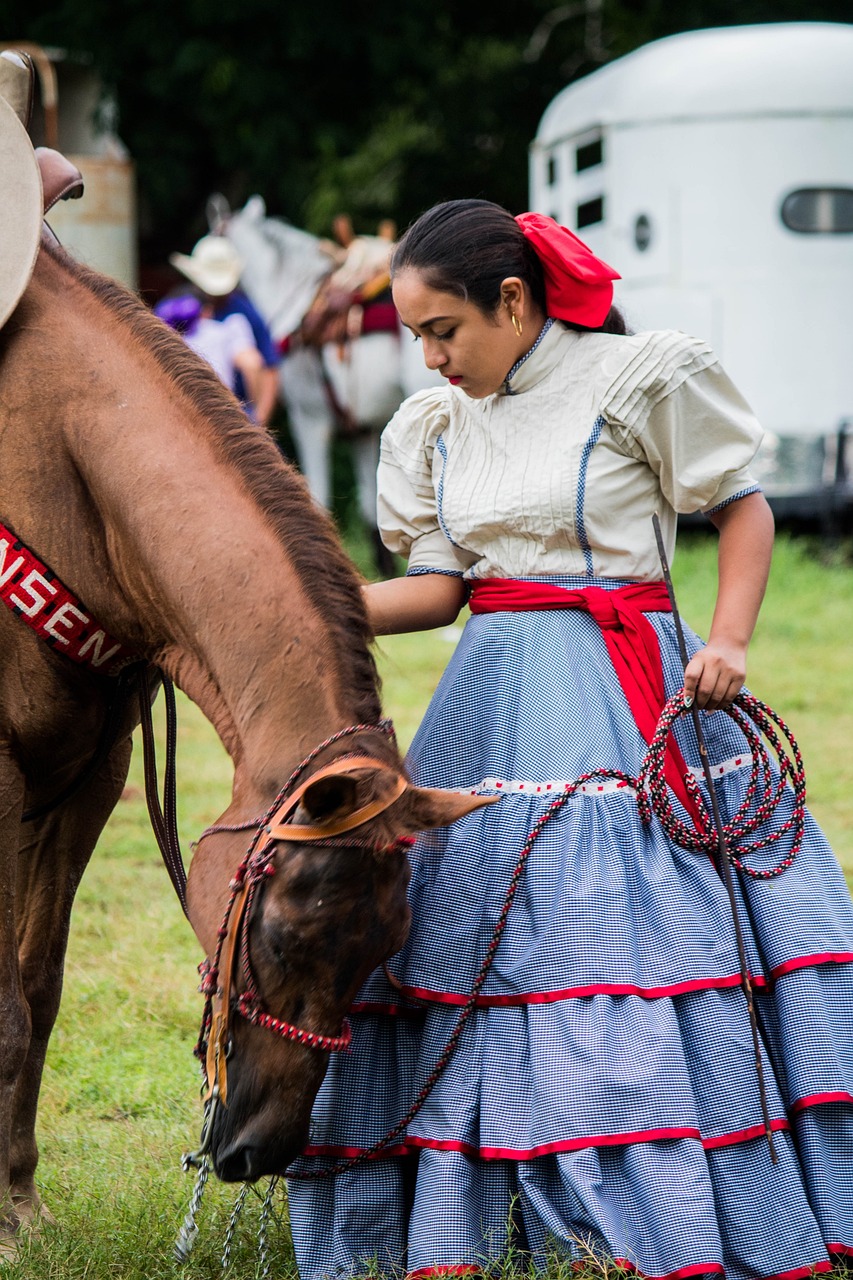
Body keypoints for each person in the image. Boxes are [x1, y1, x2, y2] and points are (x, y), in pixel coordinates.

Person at [285, 200, 853, 1280]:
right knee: (461, 936)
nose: (430, 355)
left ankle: (626, 1199)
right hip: (489, 692)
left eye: (443, 327)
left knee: (605, 941)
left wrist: (727, 636)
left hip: (622, 682)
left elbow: (741, 504)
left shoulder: (637, 376)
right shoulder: (437, 425)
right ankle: (470, 1192)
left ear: (513, 299)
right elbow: (444, 589)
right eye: (414, 335)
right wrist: (314, 604)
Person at [169, 234, 280, 427]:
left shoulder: (244, 312)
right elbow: (253, 364)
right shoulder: (179, 308)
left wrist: (259, 420)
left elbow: (268, 368)